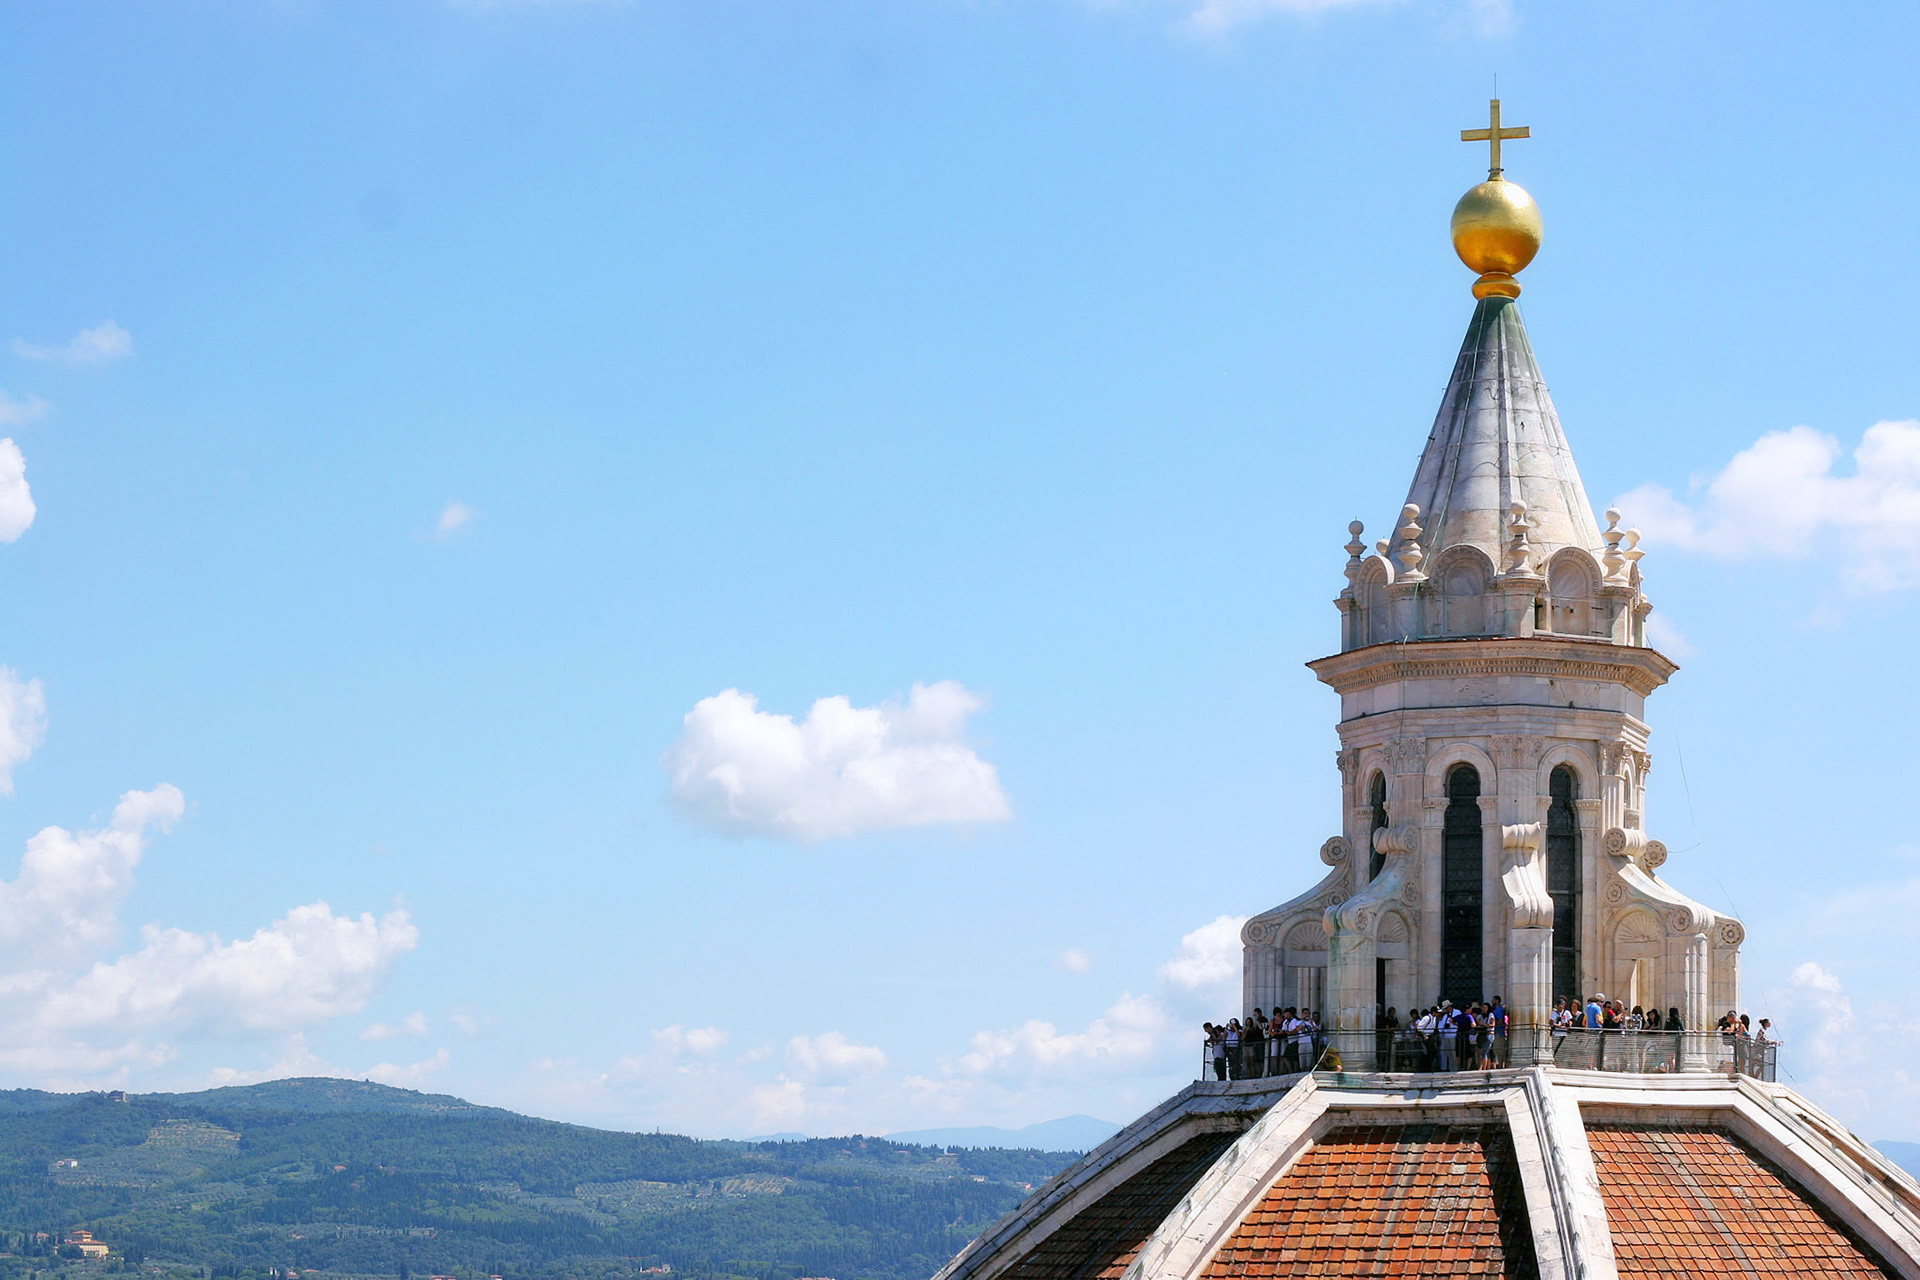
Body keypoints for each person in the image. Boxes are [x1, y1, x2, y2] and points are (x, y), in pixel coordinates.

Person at [1244, 1010, 1266, 1080]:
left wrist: (1257, 1022)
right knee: (1251, 1062)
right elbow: (1242, 1038)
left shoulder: (1262, 1020)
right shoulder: (1245, 1029)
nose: (1255, 1015)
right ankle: (1251, 1075)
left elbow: (1261, 1028)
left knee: (1256, 1060)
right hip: (1249, 1045)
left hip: (1256, 1044)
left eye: (1255, 1014)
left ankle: (1259, 1074)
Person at [1489, 996, 1510, 1067]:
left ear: (1497, 1001)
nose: (1492, 1002)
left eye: (1493, 1000)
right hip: (1496, 1032)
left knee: (1499, 1050)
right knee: (1496, 1050)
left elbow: (1500, 1021)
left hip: (1499, 1033)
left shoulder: (1499, 1010)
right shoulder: (1495, 1010)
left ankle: (1501, 1066)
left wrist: (1491, 1024)